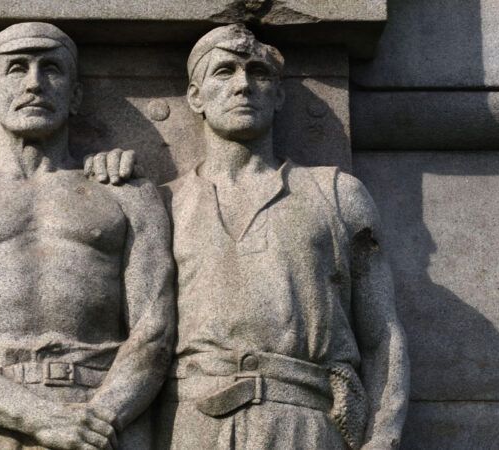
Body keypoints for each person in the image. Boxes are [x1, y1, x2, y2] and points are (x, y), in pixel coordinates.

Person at [87, 24, 409, 449]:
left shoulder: (336, 193)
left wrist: (383, 436)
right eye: (224, 72)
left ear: (278, 96)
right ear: (195, 97)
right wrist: (98, 180)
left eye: (259, 73)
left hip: (306, 420)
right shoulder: (162, 203)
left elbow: (381, 332)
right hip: (191, 423)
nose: (243, 86)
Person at [0, 22, 175, 450]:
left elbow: (154, 329)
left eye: (51, 69)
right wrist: (39, 417)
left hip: (103, 419)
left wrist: (99, 419)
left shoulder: (126, 194)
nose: (34, 83)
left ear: (76, 94)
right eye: (16, 69)